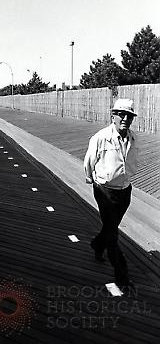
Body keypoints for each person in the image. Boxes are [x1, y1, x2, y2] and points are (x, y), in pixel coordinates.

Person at [84, 98, 138, 291]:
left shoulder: (133, 138)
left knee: (110, 227)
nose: (125, 118)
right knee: (113, 232)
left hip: (125, 189)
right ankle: (122, 276)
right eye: (121, 114)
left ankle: (97, 245)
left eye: (129, 116)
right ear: (113, 116)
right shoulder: (101, 137)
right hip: (105, 190)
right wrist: (91, 178)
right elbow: (89, 160)